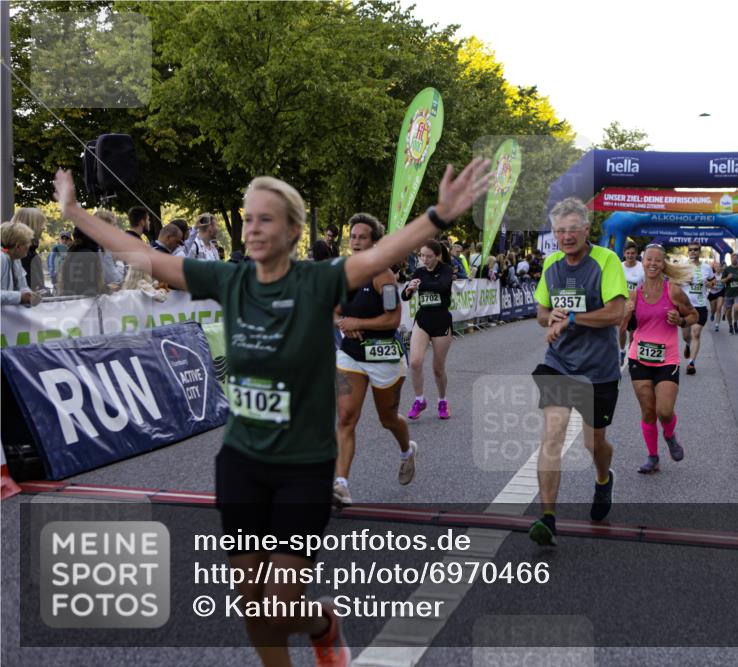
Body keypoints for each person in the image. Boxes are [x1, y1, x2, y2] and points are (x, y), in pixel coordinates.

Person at [53, 157, 489, 667]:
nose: (254, 227)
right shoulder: (230, 280)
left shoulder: (318, 281)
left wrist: (438, 215)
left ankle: (322, 624)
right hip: (241, 464)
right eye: (249, 217)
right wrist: (75, 211)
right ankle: (314, 630)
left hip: (303, 467)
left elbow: (384, 254)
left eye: (267, 219)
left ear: (294, 231)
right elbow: (146, 258)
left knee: (281, 602)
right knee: (254, 606)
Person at [527, 197, 627, 546]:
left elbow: (616, 313)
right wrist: (551, 317)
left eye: (573, 229)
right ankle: (548, 518)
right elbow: (541, 312)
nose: (566, 236)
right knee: (552, 433)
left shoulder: (606, 260)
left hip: (598, 369)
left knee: (594, 443)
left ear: (587, 230)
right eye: (560, 231)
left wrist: (570, 318)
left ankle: (603, 479)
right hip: (559, 363)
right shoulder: (552, 264)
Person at [334, 214, 416, 507]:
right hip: (351, 354)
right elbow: (333, 308)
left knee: (388, 419)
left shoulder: (384, 275)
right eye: (352, 237)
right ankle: (341, 484)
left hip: (384, 355)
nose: (355, 242)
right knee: (345, 418)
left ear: (374, 242)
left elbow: (393, 319)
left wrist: (358, 320)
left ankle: (407, 450)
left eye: (362, 237)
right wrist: (344, 320)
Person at [619, 244, 696, 473]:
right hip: (639, 357)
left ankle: (670, 436)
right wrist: (625, 315)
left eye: (657, 261)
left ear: (663, 264)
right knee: (648, 411)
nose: (652, 264)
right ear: (643, 262)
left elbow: (694, 314)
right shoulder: (634, 295)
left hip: (667, 359)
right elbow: (621, 333)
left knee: (664, 410)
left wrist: (680, 321)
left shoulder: (672, 291)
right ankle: (652, 457)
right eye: (649, 260)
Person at [402, 239, 456, 420]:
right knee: (415, 362)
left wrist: (420, 285)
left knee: (438, 368)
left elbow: (441, 286)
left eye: (429, 256)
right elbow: (405, 295)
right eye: (422, 255)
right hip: (423, 319)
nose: (425, 259)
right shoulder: (419, 272)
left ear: (438, 256)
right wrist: (409, 290)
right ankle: (420, 400)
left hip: (441, 321)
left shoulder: (446, 270)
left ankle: (442, 401)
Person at [680, 243, 715, 375]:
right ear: (688, 252)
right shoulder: (683, 267)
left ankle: (691, 363)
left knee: (696, 333)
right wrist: (684, 280)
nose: (693, 252)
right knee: (686, 336)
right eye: (690, 250)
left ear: (699, 252)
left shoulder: (706, 267)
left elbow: (713, 282)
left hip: (700, 306)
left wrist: (709, 283)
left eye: (695, 250)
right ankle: (688, 345)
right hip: (685, 307)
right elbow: (672, 282)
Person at [58, 226, 111, 297]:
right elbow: (85, 289)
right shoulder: (88, 256)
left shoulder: (73, 253)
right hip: (81, 305)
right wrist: (108, 289)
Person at [2, 221, 41, 306]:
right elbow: (20, 295)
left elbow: (22, 286)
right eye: (27, 242)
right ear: (18, 246)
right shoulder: (2, 259)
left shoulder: (16, 259)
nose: (29, 245)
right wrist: (20, 297)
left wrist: (29, 294)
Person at [619, 241, 645, 363]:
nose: (630, 256)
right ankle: (621, 350)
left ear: (637, 254)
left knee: (633, 332)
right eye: (628, 253)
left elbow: (646, 285)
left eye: (633, 253)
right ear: (624, 254)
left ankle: (631, 353)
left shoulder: (642, 267)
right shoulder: (619, 266)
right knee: (621, 329)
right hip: (622, 304)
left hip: (637, 304)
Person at [11, 207, 46, 291]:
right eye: (40, 223)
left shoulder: (26, 251)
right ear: (31, 225)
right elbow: (34, 288)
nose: (44, 228)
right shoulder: (24, 254)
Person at [720, 254, 738, 335]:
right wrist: (727, 278)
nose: (734, 260)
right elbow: (722, 281)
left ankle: (735, 323)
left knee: (737, 308)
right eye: (733, 258)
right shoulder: (727, 269)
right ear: (731, 259)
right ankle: (730, 325)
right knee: (728, 312)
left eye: (736, 258)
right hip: (728, 293)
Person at [707, 259, 725, 331]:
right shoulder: (711, 276)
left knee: (719, 308)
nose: (718, 268)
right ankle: (712, 314)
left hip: (721, 293)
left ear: (721, 268)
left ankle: (717, 325)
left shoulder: (723, 276)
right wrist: (712, 286)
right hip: (712, 293)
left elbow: (727, 282)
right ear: (714, 268)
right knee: (713, 309)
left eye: (719, 267)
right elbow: (707, 285)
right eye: (716, 267)